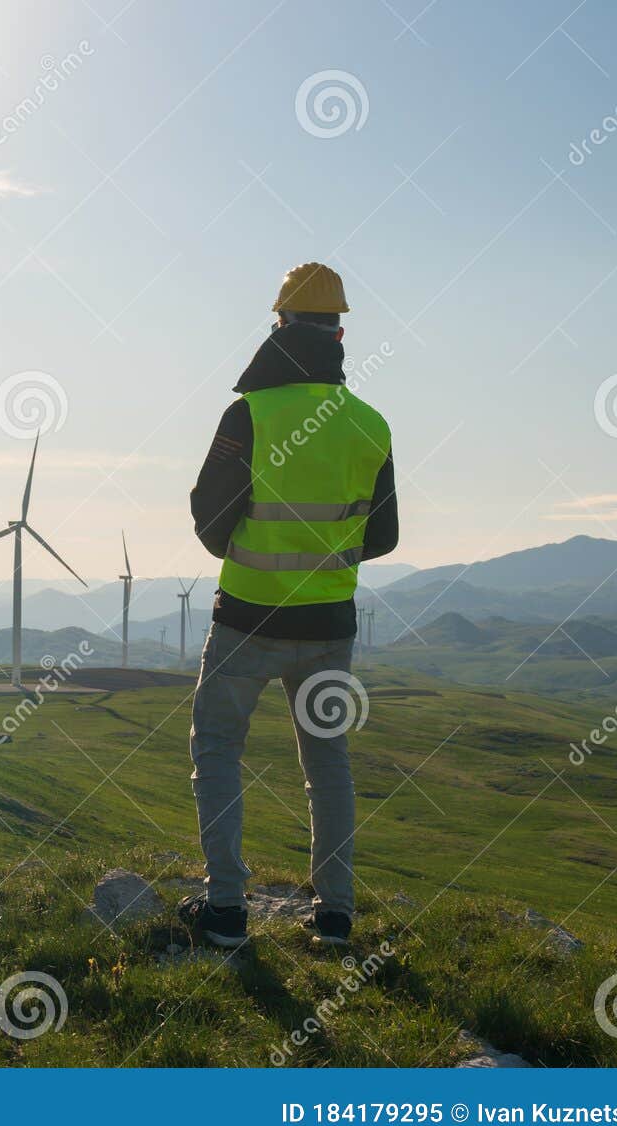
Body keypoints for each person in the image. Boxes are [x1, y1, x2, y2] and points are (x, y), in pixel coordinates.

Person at [178, 262, 398, 949]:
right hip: (330, 627)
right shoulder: (370, 424)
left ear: (279, 326)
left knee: (218, 748)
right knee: (326, 763)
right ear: (338, 332)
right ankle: (334, 915)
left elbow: (207, 517)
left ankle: (225, 911)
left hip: (246, 618)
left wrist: (251, 553)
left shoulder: (249, 413)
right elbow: (384, 535)